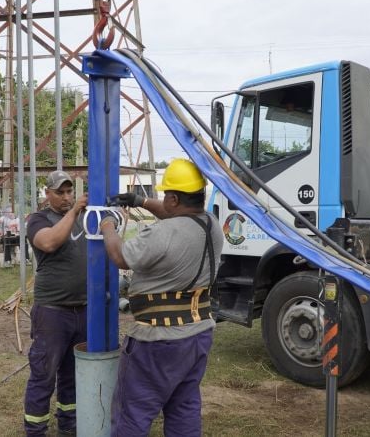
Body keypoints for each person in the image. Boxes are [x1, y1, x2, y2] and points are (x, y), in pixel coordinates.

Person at [99, 158, 223, 437]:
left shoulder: (163, 233)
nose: (164, 200)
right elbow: (177, 215)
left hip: (158, 340)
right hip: (198, 333)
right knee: (184, 407)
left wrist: (107, 225)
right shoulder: (211, 225)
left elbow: (120, 256)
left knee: (133, 412)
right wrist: (140, 201)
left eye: (167, 195)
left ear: (175, 198)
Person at [23, 170, 88, 437]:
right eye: (60, 192)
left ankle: (69, 424)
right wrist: (73, 213)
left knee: (72, 373)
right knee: (44, 374)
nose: (66, 197)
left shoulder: (84, 219)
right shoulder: (38, 220)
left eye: (69, 191)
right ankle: (35, 430)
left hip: (83, 310)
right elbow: (49, 243)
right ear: (47, 193)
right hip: (52, 311)